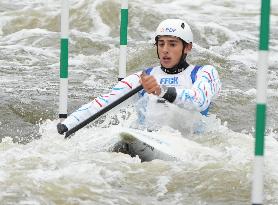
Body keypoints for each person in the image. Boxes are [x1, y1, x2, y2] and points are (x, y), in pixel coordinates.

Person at [57, 19, 221, 160]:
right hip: (148, 137)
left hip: (189, 143)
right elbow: (104, 102)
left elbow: (199, 100)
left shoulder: (204, 73)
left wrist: (162, 91)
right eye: (161, 43)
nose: (165, 49)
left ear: (187, 48)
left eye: (172, 44)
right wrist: (68, 124)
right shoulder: (143, 77)